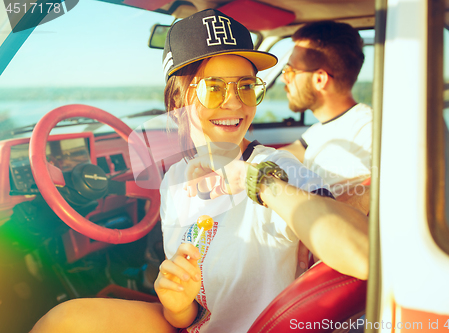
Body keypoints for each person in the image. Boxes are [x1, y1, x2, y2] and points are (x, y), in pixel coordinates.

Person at [31, 10, 368, 333]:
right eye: (215, 87)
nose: (235, 103)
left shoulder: (278, 170)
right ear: (180, 98)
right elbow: (193, 310)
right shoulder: (174, 181)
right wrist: (177, 303)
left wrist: (255, 180)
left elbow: (362, 253)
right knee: (61, 321)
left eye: (246, 87)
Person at [279, 21, 372, 200]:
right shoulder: (320, 130)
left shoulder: (368, 128)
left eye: (290, 70)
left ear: (320, 79)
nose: (284, 79)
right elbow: (290, 152)